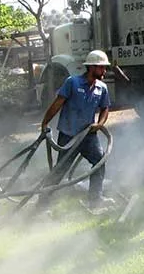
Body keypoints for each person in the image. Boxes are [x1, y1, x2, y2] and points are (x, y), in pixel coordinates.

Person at [37, 49, 113, 210]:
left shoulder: (102, 88)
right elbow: (57, 103)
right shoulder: (73, 82)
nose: (104, 71)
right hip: (69, 135)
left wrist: (99, 124)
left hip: (88, 136)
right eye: (101, 67)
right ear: (91, 67)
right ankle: (42, 203)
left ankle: (95, 199)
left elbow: (105, 109)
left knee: (99, 163)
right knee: (60, 169)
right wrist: (45, 123)